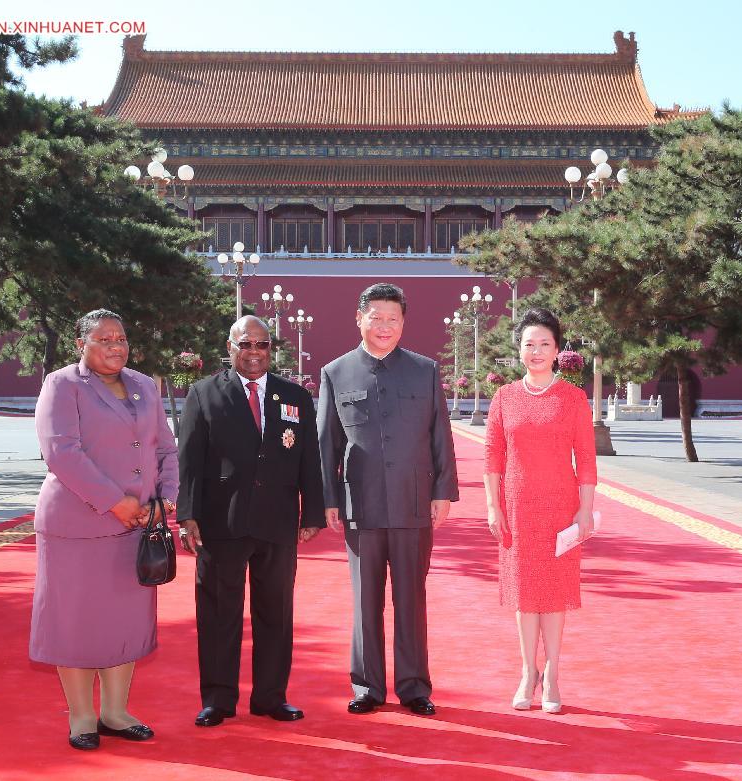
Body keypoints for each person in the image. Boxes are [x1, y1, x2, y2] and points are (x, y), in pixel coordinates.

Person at [30, 309, 178, 751]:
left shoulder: (144, 385)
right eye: (104, 339)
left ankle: (115, 712)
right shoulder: (63, 385)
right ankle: (81, 717)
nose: (115, 346)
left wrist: (166, 498)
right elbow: (62, 453)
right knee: (75, 624)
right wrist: (118, 502)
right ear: (81, 345)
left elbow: (165, 447)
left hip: (136, 527)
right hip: (77, 526)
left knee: (123, 623)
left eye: (121, 338)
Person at [317, 282, 459, 716]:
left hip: (415, 502)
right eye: (375, 317)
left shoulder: (424, 370)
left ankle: (414, 685)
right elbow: (326, 442)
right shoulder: (336, 372)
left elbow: (441, 436)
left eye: (392, 319)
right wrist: (328, 499)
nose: (384, 326)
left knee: (411, 598)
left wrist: (443, 492)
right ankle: (368, 686)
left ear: (403, 324)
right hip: (362, 504)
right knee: (366, 600)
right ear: (358, 318)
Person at [176, 315, 325, 727]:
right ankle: (218, 700)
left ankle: (270, 697)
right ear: (230, 347)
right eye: (246, 344)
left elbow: (308, 459)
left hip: (277, 523)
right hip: (220, 523)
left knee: (275, 612)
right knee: (219, 613)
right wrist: (187, 514)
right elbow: (188, 461)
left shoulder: (294, 396)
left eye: (262, 345)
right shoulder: (204, 394)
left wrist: (312, 510)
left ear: (270, 350)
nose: (254, 352)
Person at [483, 307, 597, 714]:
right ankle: (527, 672)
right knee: (524, 594)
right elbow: (493, 455)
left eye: (544, 344)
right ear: (518, 350)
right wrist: (493, 506)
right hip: (517, 508)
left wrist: (585, 510)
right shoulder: (504, 397)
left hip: (560, 509)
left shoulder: (573, 399)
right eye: (529, 344)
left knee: (554, 594)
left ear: (557, 350)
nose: (536, 351)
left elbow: (585, 458)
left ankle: (552, 674)